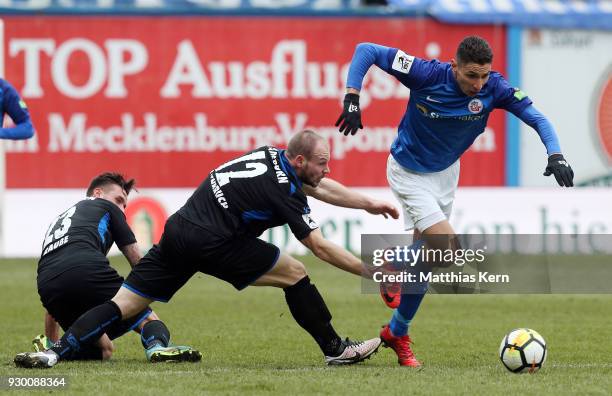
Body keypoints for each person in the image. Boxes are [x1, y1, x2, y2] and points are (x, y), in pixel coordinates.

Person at [14, 130, 400, 369]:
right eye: (321, 163)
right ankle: (335, 349)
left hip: (179, 229)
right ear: (300, 161)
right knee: (296, 272)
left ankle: (55, 353)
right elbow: (321, 247)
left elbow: (318, 186)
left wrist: (367, 204)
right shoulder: (284, 191)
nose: (327, 170)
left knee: (124, 304)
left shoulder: (271, 155)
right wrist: (374, 272)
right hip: (215, 241)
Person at [334, 36, 574, 367]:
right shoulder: (426, 74)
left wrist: (556, 153)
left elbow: (538, 119)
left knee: (429, 260)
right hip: (408, 172)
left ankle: (396, 333)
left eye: (484, 76)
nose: (478, 84)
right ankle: (393, 265)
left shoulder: (496, 89)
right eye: (471, 75)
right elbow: (367, 50)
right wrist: (352, 97)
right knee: (447, 248)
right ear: (454, 66)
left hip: (446, 174)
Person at [31, 172, 200, 363]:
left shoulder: (62, 219)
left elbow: (60, 287)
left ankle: (51, 349)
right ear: (98, 193)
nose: (122, 208)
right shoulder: (107, 208)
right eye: (119, 200)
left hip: (46, 284)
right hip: (86, 271)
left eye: (125, 205)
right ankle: (157, 347)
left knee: (105, 349)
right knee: (148, 318)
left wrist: (52, 338)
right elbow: (139, 263)